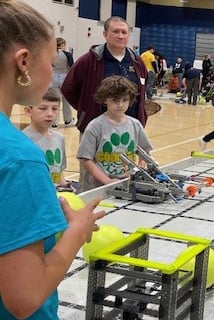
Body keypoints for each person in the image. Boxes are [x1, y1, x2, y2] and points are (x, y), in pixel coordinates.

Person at [0, 2, 105, 318]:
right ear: (24, 62)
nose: (53, 72)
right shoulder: (19, 159)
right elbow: (24, 297)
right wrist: (77, 229)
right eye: (51, 61)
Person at [61, 16, 148, 134]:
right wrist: (86, 108)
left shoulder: (138, 62)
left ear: (129, 35)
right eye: (116, 31)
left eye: (124, 32)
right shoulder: (88, 61)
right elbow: (68, 88)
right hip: (95, 129)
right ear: (105, 34)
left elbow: (142, 90)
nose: (120, 36)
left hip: (131, 128)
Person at [77, 76, 153, 192]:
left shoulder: (135, 125)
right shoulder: (95, 126)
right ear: (104, 100)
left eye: (125, 100)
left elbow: (144, 152)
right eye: (115, 100)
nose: (120, 105)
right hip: (98, 188)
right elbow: (86, 159)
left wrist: (140, 167)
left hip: (126, 186)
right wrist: (108, 181)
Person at [22, 88, 73, 190]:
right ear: (28, 111)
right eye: (43, 108)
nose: (50, 114)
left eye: (55, 109)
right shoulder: (23, 141)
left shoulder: (59, 138)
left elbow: (58, 171)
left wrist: (64, 184)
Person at [51, 37, 75, 127]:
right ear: (63, 45)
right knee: (66, 101)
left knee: (55, 101)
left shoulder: (51, 54)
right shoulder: (68, 55)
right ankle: (68, 120)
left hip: (53, 78)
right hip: (65, 78)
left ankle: (54, 122)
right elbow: (72, 67)